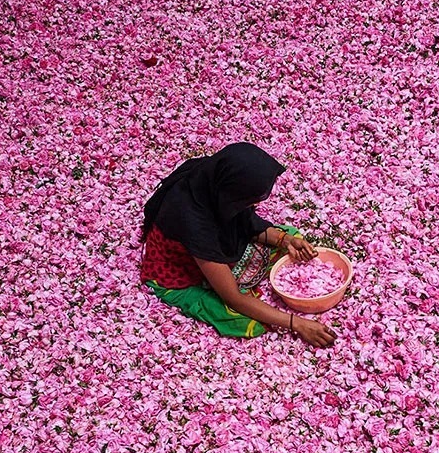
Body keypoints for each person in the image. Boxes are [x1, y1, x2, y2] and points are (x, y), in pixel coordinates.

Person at [140, 142, 337, 348]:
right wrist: (297, 324)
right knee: (247, 321)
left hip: (211, 241)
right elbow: (232, 297)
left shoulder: (214, 178)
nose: (255, 205)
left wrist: (285, 240)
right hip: (180, 274)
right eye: (250, 199)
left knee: (292, 236)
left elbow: (243, 220)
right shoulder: (193, 222)